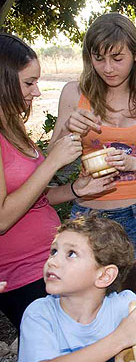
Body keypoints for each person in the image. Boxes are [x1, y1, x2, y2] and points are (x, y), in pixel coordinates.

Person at [50, 13, 136, 293]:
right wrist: (66, 130)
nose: (107, 68)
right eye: (99, 58)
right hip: (88, 214)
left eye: (117, 58)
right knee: (87, 300)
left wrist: (133, 162)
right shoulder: (75, 93)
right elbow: (50, 165)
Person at [0, 34, 114, 332]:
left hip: (50, 259)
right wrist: (52, 162)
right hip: (22, 275)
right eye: (29, 83)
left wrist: (76, 189)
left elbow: (34, 197)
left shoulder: (12, 127)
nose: (37, 92)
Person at [18, 214, 136, 362]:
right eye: (54, 251)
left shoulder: (122, 304)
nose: (53, 261)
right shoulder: (39, 315)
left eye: (71, 254)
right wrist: (120, 339)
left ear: (105, 276)